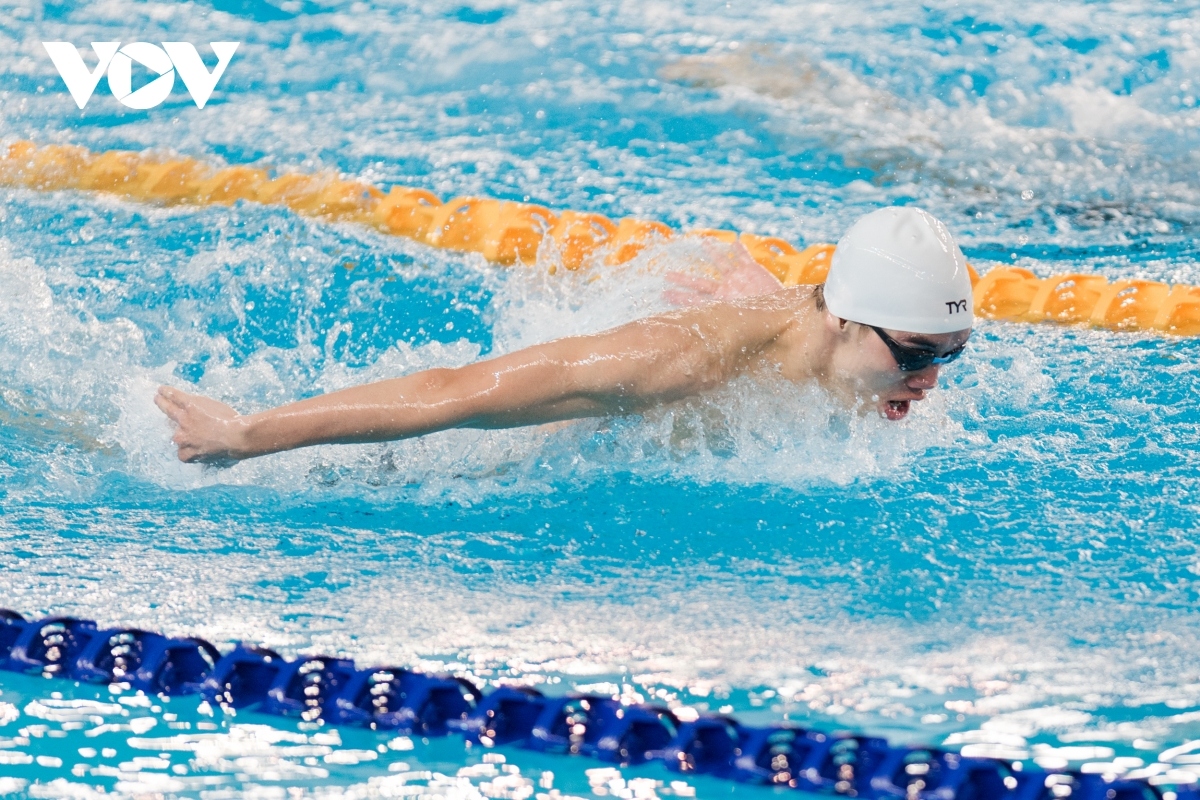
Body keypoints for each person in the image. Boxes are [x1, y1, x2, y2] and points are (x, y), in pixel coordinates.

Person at [156, 206, 975, 464]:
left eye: (951, 355)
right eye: (913, 354)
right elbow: (451, 392)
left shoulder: (838, 335)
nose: (931, 379)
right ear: (839, 320)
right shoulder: (677, 362)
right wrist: (248, 433)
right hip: (506, 451)